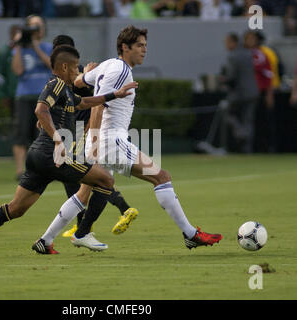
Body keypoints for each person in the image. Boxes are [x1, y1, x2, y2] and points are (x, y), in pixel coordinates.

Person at [38, 25, 223, 252]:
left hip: (104, 140)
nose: (144, 50)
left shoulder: (109, 65)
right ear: (125, 47)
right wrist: (94, 142)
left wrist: (88, 74)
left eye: (145, 46)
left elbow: (77, 83)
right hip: (110, 141)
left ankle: (46, 240)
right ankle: (190, 234)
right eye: (139, 46)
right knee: (161, 177)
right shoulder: (120, 71)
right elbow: (98, 105)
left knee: (83, 193)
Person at [0, 44, 138, 258]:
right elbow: (40, 109)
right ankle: (83, 232)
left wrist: (115, 94)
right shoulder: (56, 83)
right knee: (106, 180)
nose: (78, 72)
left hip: (38, 156)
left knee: (16, 209)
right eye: (76, 68)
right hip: (52, 154)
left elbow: (84, 102)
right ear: (64, 67)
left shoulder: (66, 90)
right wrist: (58, 140)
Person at [46, 35, 138, 239]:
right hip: (78, 129)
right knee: (86, 177)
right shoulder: (78, 70)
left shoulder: (68, 72)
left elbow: (96, 102)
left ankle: (104, 218)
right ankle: (88, 224)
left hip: (79, 131)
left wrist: (90, 131)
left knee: (82, 176)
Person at [12, 15, 53, 181]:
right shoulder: (19, 49)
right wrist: (19, 45)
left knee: (43, 132)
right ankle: (19, 170)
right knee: (21, 133)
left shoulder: (47, 47)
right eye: (33, 26)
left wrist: (36, 47)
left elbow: (52, 65)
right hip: (23, 94)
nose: (37, 29)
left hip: (43, 95)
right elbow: (17, 70)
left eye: (39, 26)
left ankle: (42, 167)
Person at [221, 32, 259, 153]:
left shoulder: (233, 56)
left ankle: (241, 133)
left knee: (227, 114)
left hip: (239, 93)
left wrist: (222, 80)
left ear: (233, 42)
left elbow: (232, 77)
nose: (225, 45)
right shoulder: (249, 53)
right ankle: (247, 149)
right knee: (248, 120)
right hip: (253, 91)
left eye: (226, 42)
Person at [243, 30, 275, 153]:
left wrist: (269, 93)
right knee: (248, 121)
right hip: (246, 93)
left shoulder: (261, 55)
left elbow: (268, 75)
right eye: (247, 39)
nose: (250, 41)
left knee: (261, 122)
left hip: (260, 92)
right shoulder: (243, 55)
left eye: (252, 39)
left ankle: (266, 147)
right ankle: (249, 147)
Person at [0, 24, 21, 118]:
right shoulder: (4, 52)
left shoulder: (25, 49)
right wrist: (3, 94)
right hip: (11, 94)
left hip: (24, 93)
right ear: (11, 35)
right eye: (15, 34)